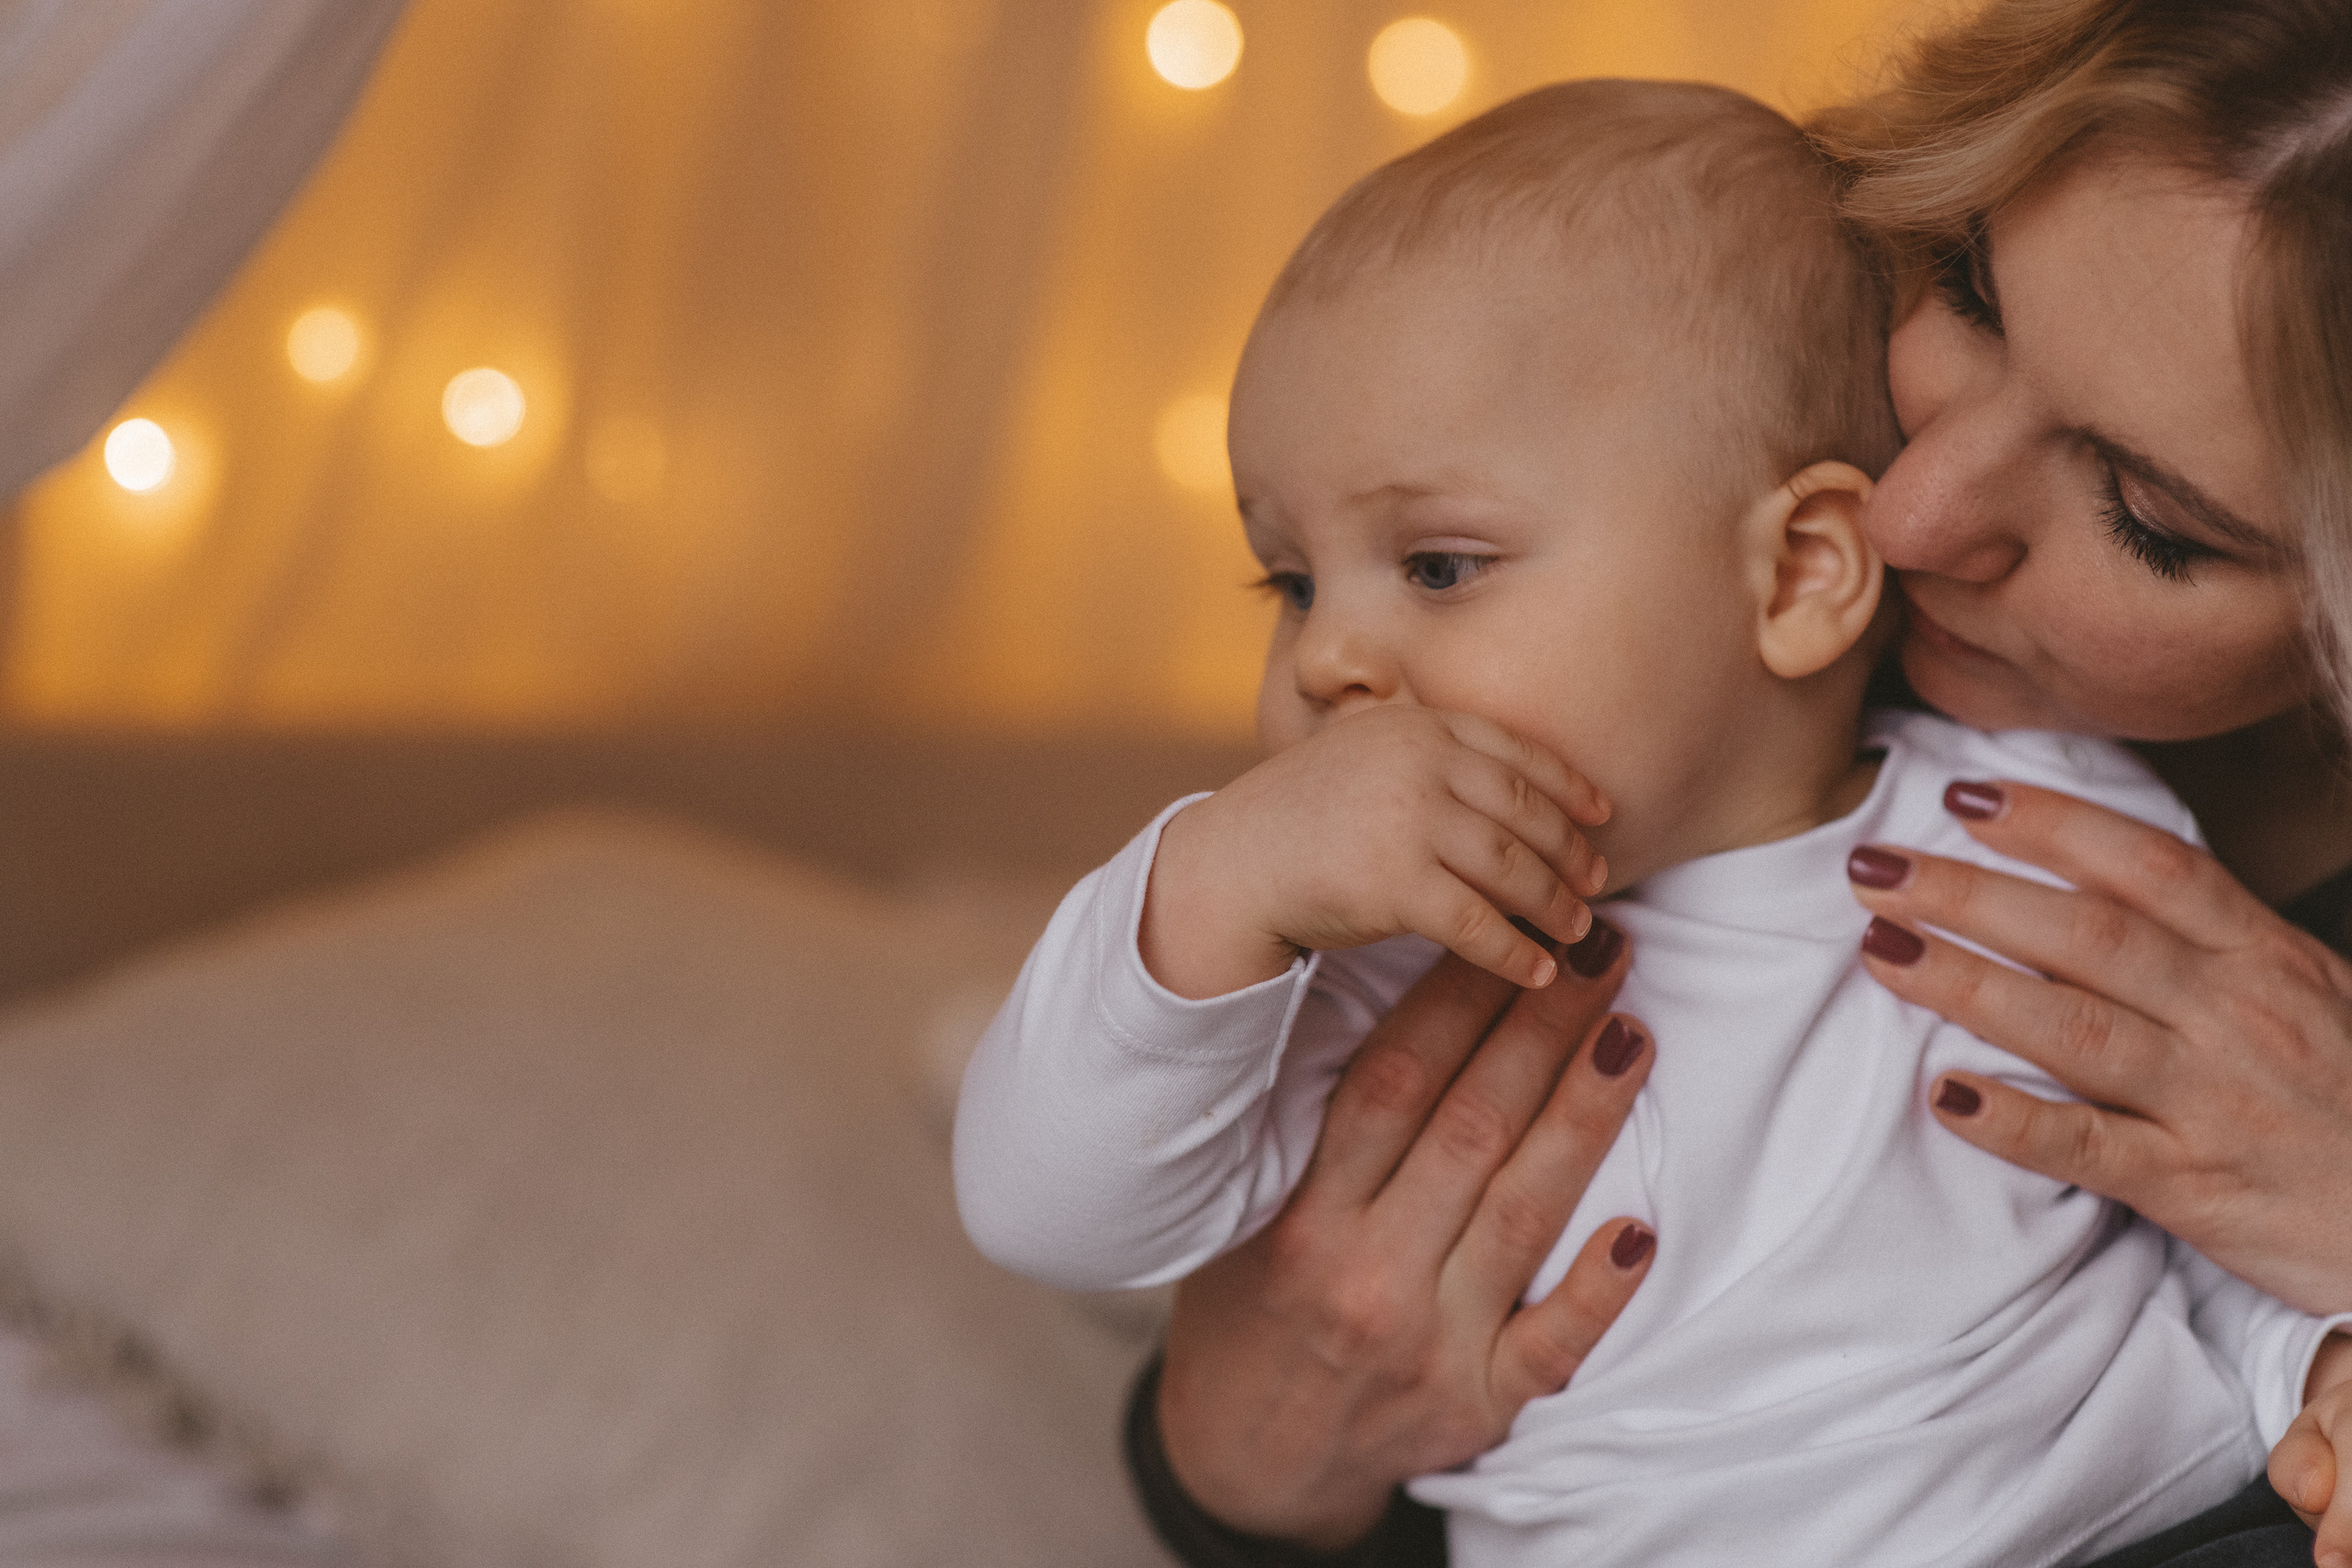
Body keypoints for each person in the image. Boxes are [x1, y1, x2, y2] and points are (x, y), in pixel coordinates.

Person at [954, 76, 2352, 1568]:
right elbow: (1051, 1212)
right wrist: (1210, 886)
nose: (1323, 658)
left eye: (1437, 565)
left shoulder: (2050, 835)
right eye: (1291, 581)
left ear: (1802, 572)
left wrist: (2309, 1365)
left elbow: (2186, 1212)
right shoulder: (1383, 950)